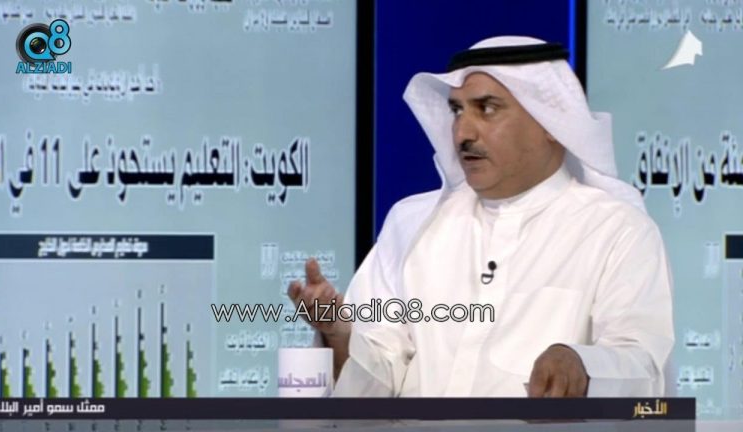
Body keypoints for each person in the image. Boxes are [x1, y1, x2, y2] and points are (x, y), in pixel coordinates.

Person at [288, 36, 674, 397]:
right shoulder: (413, 224)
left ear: (551, 123)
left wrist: (582, 364)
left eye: (487, 109)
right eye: (457, 111)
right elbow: (377, 379)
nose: (462, 133)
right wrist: (338, 334)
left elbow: (642, 366)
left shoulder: (616, 231)